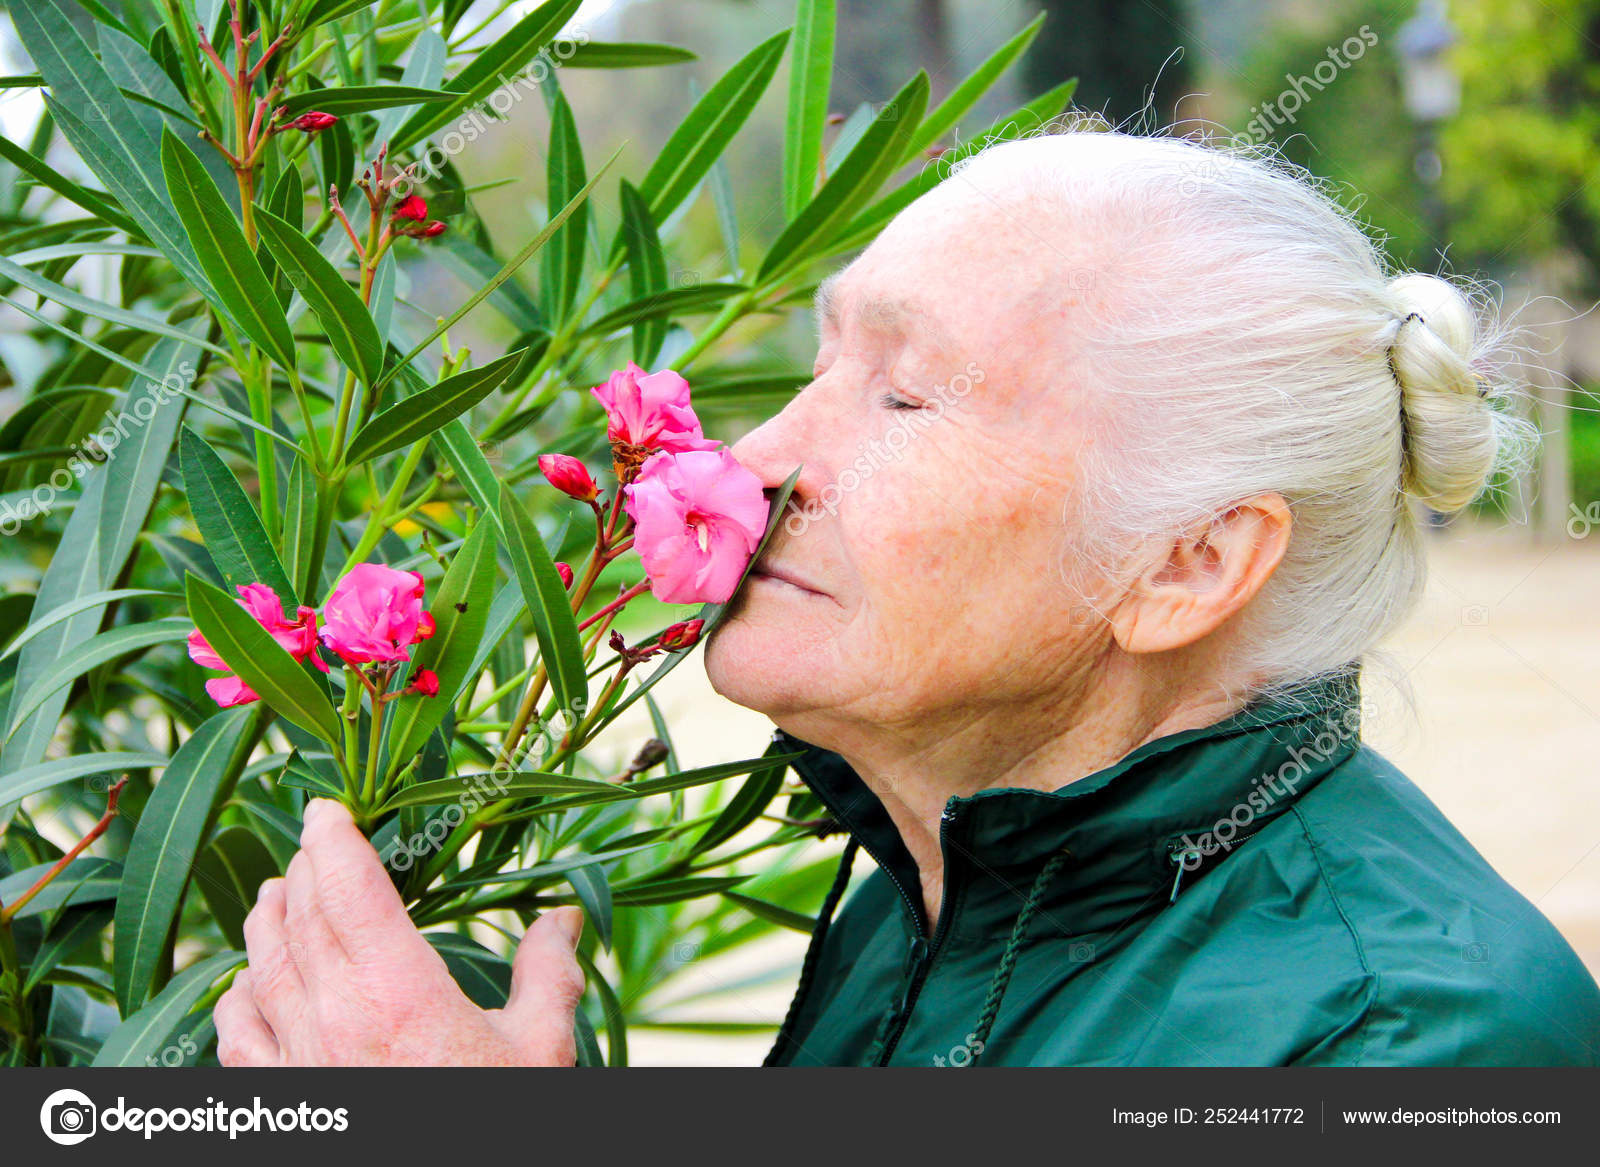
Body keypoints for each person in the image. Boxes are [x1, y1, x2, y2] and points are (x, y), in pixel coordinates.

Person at [215, 127, 1600, 1067]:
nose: (755, 463)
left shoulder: (1409, 1048)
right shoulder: (941, 882)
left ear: (1187, 565)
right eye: (821, 362)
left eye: (902, 393)